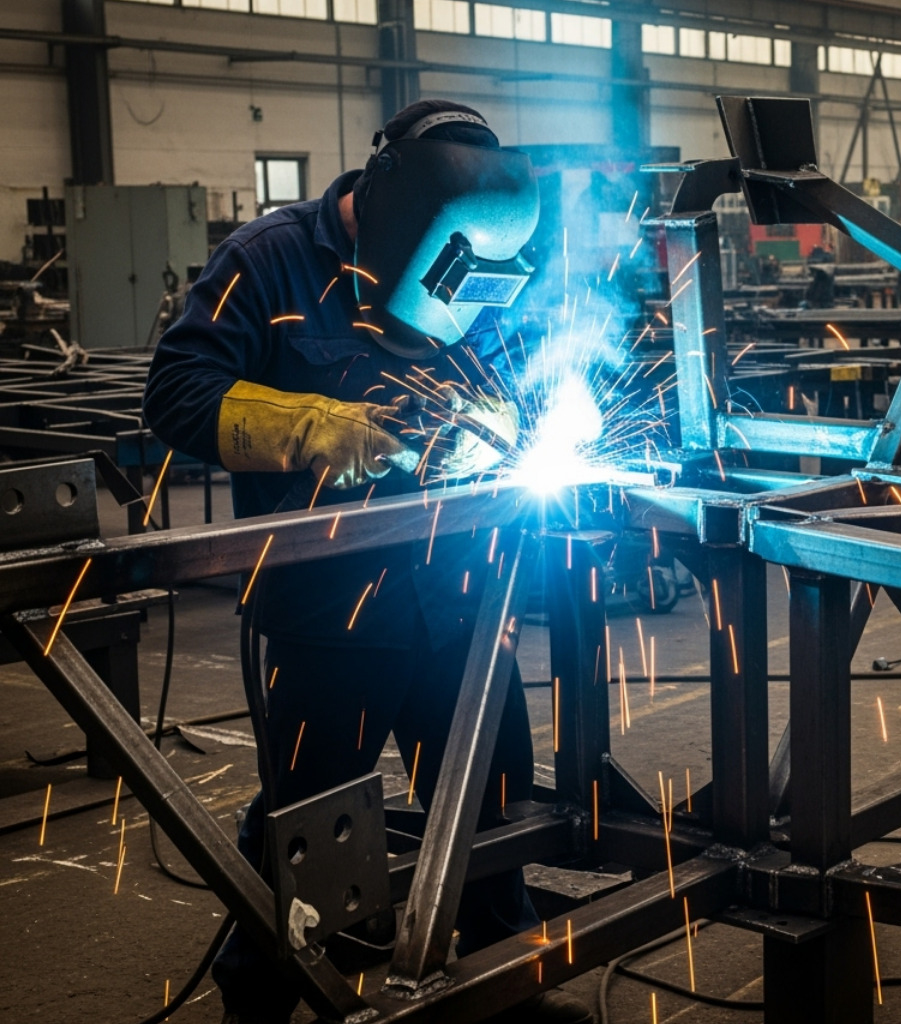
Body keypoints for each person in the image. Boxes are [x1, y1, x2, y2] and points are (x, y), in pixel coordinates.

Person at [143, 99, 594, 1024]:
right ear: (386, 213)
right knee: (313, 830)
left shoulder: (490, 254)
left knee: (492, 800)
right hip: (327, 614)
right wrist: (306, 426)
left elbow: (521, 371)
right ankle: (260, 1001)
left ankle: (499, 983)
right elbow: (175, 395)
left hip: (463, 598)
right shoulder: (267, 260)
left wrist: (520, 420)